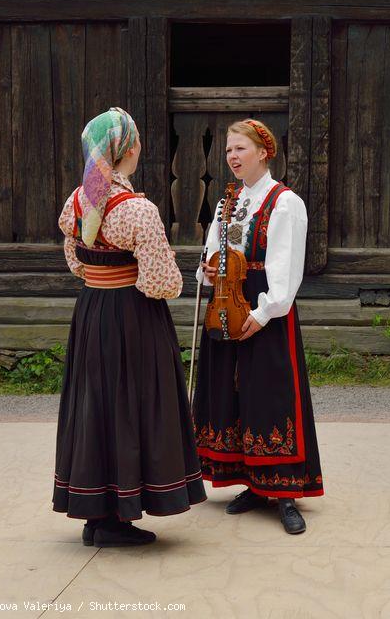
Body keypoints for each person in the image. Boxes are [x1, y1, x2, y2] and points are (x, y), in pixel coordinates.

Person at [53, 106, 206, 546]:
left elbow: (76, 262)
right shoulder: (138, 210)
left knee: (95, 404)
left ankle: (93, 513)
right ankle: (117, 518)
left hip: (92, 312)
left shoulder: (77, 201)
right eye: (136, 141)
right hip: (132, 318)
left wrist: (103, 277)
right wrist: (166, 269)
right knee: (129, 404)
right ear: (127, 149)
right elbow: (161, 283)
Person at [191, 118, 324, 534]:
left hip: (265, 308)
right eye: (228, 150)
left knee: (270, 393)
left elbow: (287, 267)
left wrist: (265, 312)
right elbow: (210, 255)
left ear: (264, 152)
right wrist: (206, 274)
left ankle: (284, 492)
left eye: (240, 149)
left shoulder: (285, 202)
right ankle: (251, 483)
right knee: (231, 394)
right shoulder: (223, 203)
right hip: (225, 305)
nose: (232, 156)